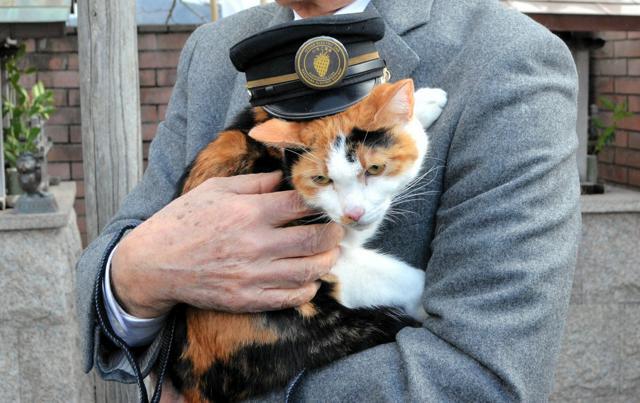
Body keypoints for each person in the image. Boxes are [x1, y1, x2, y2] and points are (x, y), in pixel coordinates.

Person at [76, 0, 581, 401]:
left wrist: (213, 394)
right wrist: (138, 273)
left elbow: (483, 376)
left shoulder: (506, 56)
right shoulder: (212, 50)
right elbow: (122, 244)